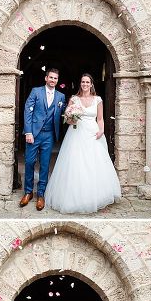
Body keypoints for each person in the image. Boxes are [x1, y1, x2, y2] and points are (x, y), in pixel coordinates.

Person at [44, 73, 121, 214]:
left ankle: (95, 197)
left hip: (93, 133)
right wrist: (71, 118)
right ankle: (74, 198)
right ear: (81, 84)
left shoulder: (98, 99)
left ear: (91, 84)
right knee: (76, 164)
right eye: (83, 82)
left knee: (94, 164)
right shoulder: (74, 99)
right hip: (76, 134)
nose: (85, 84)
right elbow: (67, 119)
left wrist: (101, 131)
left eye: (87, 82)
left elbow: (100, 119)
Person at [20, 68, 66, 211]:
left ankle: (41, 194)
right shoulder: (36, 91)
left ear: (57, 80)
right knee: (29, 162)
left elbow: (64, 113)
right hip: (33, 133)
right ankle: (28, 192)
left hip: (49, 135)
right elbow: (28, 111)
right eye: (51, 77)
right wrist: (28, 132)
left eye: (55, 78)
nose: (53, 80)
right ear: (46, 78)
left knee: (45, 165)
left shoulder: (61, 96)